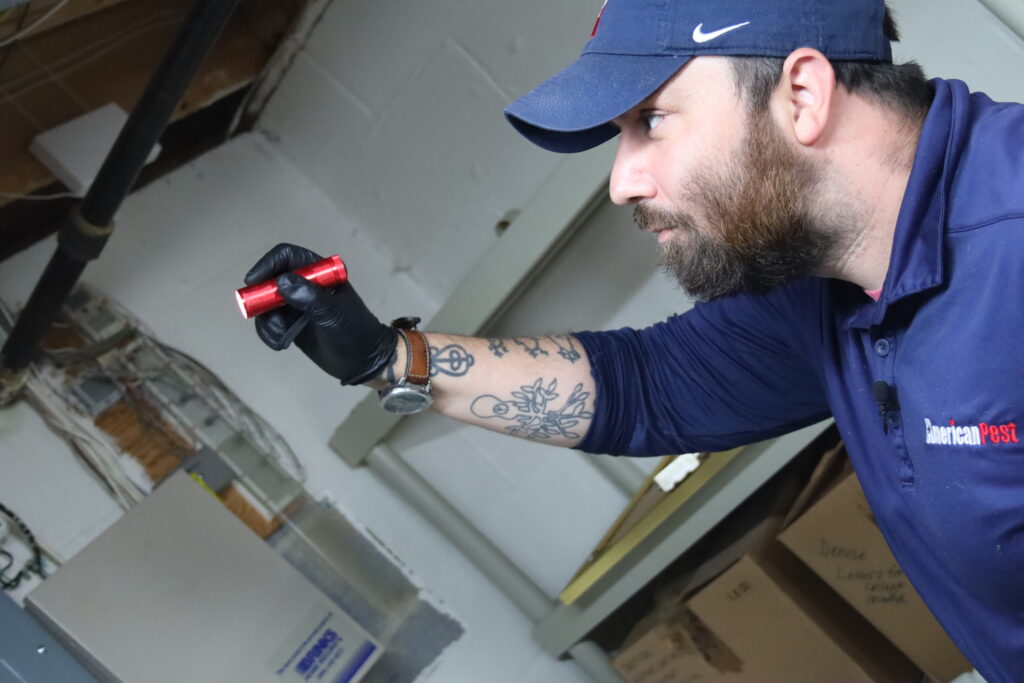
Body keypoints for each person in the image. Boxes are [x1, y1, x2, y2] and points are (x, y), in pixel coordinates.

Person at [243, 0, 1023, 679]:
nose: (623, 182)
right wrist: (391, 359)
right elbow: (647, 385)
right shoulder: (830, 289)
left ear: (804, 93)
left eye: (650, 120)